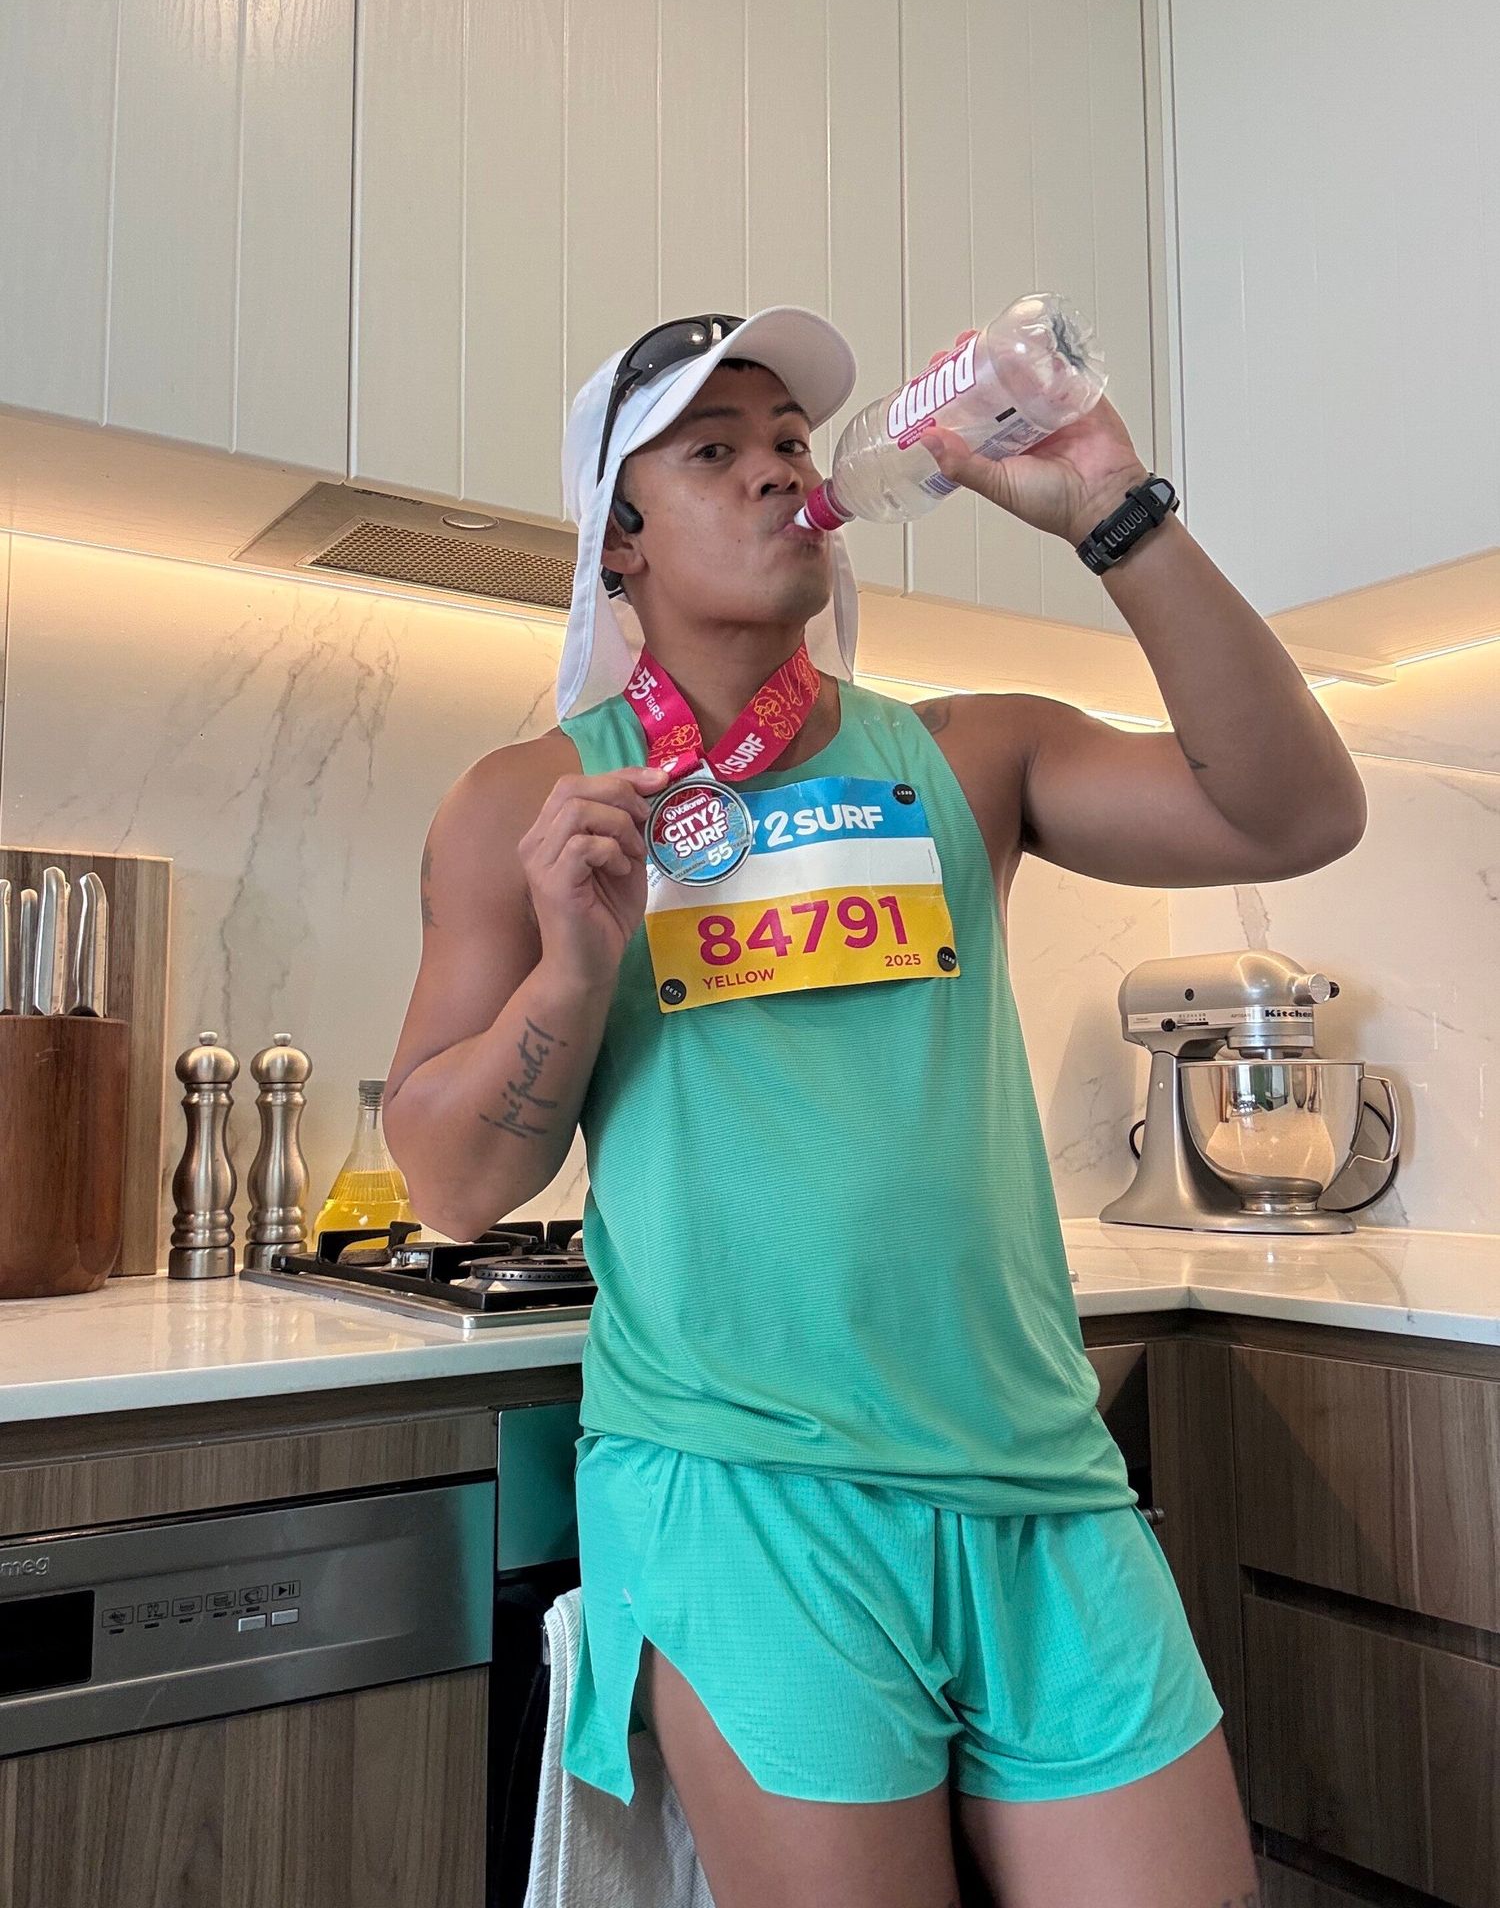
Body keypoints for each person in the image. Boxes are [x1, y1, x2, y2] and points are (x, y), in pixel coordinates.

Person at [384, 309, 1366, 1908]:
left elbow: (1298, 814)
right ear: (620, 539)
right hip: (744, 1500)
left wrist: (1114, 509)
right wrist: (570, 971)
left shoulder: (971, 758)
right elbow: (449, 1186)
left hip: (1043, 1486)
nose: (779, 469)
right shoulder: (532, 805)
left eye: (790, 440)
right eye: (716, 450)